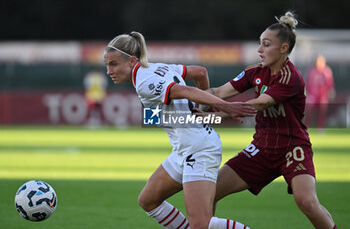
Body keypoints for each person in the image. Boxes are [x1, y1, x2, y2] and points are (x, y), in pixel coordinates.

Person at [103, 31, 256, 229]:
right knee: (148, 200)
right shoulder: (157, 67)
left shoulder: (144, 82)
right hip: (185, 149)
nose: (108, 70)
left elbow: (187, 90)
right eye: (107, 65)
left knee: (200, 224)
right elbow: (200, 72)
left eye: (113, 64)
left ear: (132, 61)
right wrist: (207, 110)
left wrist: (224, 106)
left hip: (199, 149)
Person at [206, 12, 337, 229]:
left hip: (292, 147)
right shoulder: (255, 71)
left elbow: (260, 104)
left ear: (283, 49)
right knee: (208, 192)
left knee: (307, 202)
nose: (259, 50)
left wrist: (223, 112)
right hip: (262, 149)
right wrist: (182, 93)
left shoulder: (290, 77)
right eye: (260, 44)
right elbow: (218, 92)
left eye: (266, 44)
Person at [305, 54, 335, 131]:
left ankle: (320, 128)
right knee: (309, 110)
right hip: (312, 95)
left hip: (323, 95)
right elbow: (308, 83)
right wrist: (307, 94)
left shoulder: (327, 71)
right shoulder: (312, 71)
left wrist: (331, 92)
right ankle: (307, 126)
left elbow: (330, 83)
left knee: (322, 111)